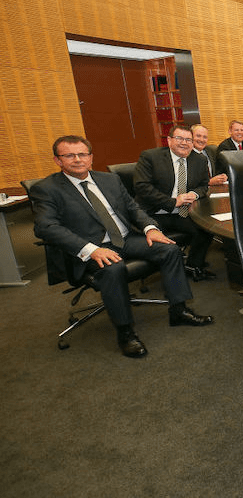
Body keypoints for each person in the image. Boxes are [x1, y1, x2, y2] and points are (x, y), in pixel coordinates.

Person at [30, 136, 214, 358]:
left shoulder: (109, 179)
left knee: (170, 248)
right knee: (113, 268)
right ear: (57, 160)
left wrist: (150, 228)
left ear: (91, 157)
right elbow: (45, 227)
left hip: (125, 239)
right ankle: (125, 332)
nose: (78, 159)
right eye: (69, 155)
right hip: (91, 248)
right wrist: (91, 249)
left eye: (83, 154)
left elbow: (133, 208)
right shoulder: (46, 189)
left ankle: (179, 310)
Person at [134, 126, 216, 282]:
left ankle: (193, 266)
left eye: (188, 140)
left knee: (206, 229)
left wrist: (195, 194)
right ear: (169, 140)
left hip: (182, 213)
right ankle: (172, 279)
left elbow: (204, 185)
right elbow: (142, 187)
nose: (184, 143)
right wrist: (172, 202)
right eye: (180, 138)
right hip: (153, 213)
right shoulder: (150, 157)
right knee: (165, 245)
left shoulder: (199, 160)